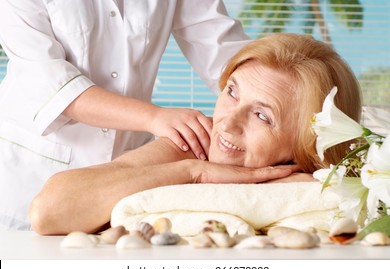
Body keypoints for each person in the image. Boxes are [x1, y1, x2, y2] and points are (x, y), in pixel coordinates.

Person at [30, 33, 362, 235]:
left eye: (262, 115)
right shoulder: (194, 147)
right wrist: (193, 172)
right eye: (232, 92)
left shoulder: (338, 185)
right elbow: (49, 211)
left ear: (310, 144)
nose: (227, 124)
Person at [0, 0, 252, 230]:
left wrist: (279, 101)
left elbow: (222, 50)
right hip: (30, 174)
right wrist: (154, 118)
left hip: (127, 174)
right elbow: (54, 86)